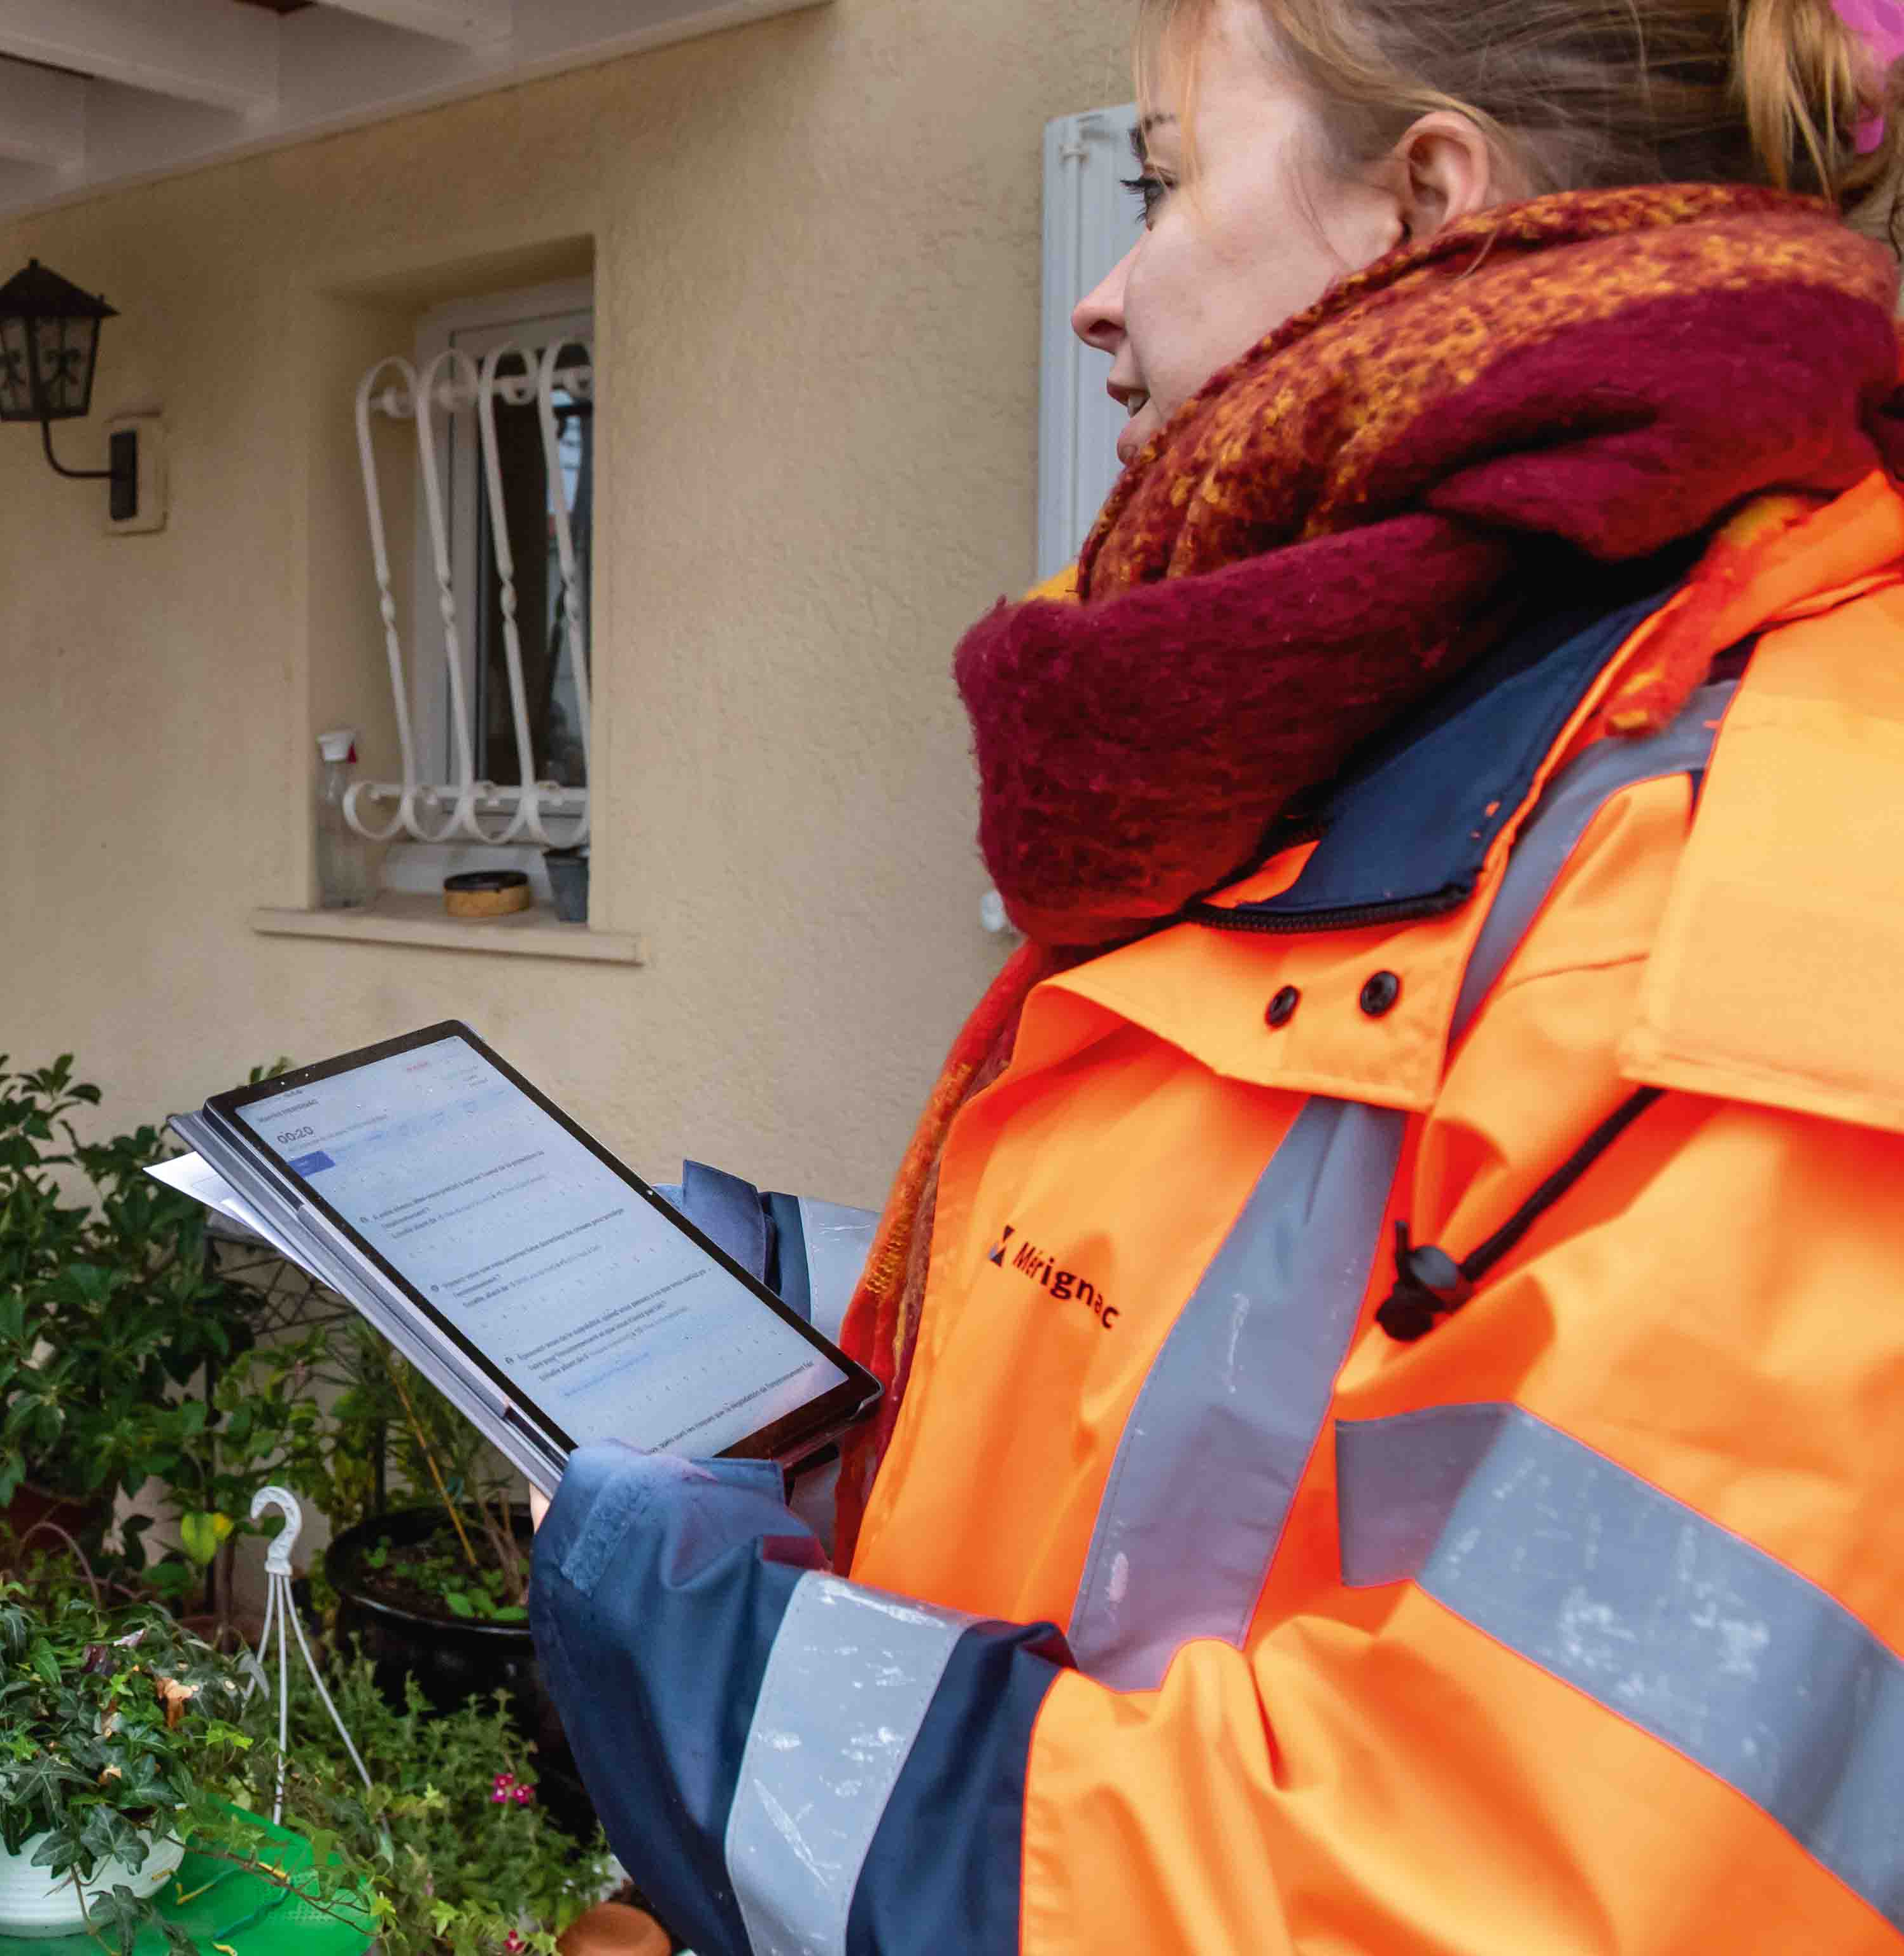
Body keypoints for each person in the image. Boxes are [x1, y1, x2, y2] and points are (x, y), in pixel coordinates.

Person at [526, 1, 1904, 1949]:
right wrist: (785, 1293)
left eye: (1165, 182)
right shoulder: (1455, 717)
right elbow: (1250, 1347)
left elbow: (1461, 1894)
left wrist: (688, 1634)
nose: (1103, 294)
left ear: (1424, 208)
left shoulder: (1789, 878)